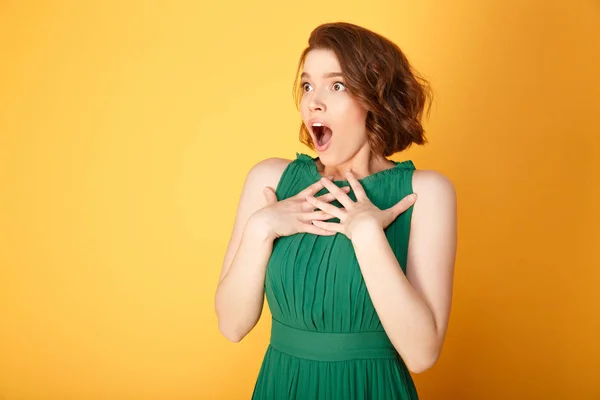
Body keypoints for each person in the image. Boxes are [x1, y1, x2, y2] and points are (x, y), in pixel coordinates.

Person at [214, 21, 457, 399]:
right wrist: (262, 227)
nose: (313, 101)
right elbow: (231, 325)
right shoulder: (270, 181)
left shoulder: (425, 192)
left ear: (374, 99)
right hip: (283, 387)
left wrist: (366, 235)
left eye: (337, 85)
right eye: (308, 85)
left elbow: (422, 353)